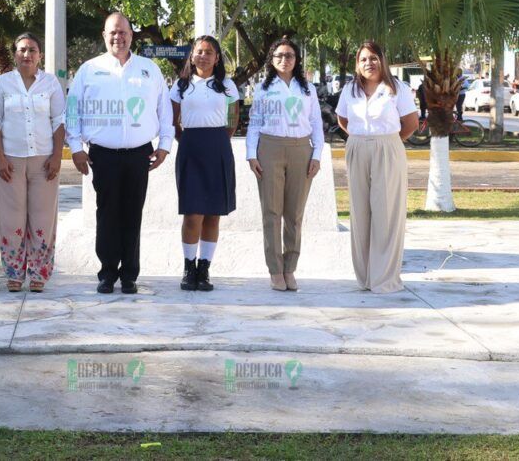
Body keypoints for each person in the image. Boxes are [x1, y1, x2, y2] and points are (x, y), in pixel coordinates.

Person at [65, 12, 174, 294]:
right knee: (107, 214)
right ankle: (107, 273)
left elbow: (165, 110)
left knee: (132, 214)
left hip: (139, 155)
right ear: (104, 36)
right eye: (113, 32)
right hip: (103, 155)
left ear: (132, 35)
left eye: (124, 32)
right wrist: (76, 148)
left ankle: (129, 276)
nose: (118, 37)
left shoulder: (149, 69)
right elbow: (73, 111)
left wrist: (164, 145)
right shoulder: (89, 70)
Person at [336, 41, 418, 294]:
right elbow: (342, 119)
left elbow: (411, 123)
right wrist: (362, 140)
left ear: (382, 60)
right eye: (363, 59)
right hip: (357, 147)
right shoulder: (350, 90)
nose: (368, 63)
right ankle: (365, 277)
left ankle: (384, 279)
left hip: (388, 148)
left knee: (386, 213)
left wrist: (386, 142)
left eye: (373, 58)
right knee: (360, 213)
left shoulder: (397, 89)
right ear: (357, 64)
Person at [0, 33, 66, 293]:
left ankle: (39, 274)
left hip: (44, 162)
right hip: (10, 160)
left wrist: (56, 156)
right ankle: (13, 274)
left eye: (32, 49)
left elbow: (59, 121)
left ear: (40, 55)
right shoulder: (3, 84)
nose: (27, 54)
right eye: (21, 50)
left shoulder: (51, 83)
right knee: (12, 219)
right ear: (15, 54)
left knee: (43, 218)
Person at [245, 37, 324, 292]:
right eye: (279, 55)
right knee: (272, 212)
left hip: (302, 149)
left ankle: (290, 267)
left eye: (289, 55)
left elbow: (316, 124)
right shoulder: (264, 88)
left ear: (296, 59)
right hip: (270, 148)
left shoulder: (307, 89)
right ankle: (275, 270)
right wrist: (251, 154)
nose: (284, 59)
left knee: (295, 214)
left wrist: (317, 155)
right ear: (272, 59)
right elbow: (255, 122)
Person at [170, 36, 239, 291]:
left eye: (209, 52)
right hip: (191, 148)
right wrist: (186, 140)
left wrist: (218, 140)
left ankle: (204, 268)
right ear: (192, 55)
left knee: (213, 213)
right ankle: (189, 267)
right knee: (192, 213)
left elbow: (233, 119)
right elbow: (173, 119)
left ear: (217, 57)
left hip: (218, 147)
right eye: (199, 51)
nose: (203, 56)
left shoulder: (227, 86)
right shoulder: (181, 85)